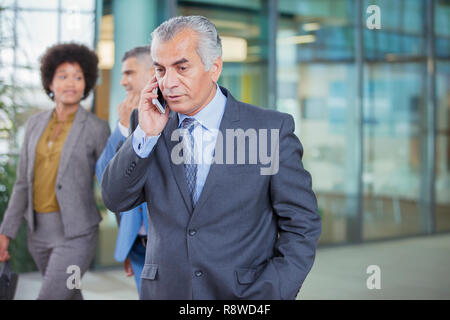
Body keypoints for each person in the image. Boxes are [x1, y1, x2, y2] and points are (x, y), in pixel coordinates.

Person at [101, 16, 321, 300]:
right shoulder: (145, 124)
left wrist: (274, 291)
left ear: (214, 67)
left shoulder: (270, 130)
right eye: (160, 70)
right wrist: (146, 136)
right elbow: (114, 198)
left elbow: (302, 224)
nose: (168, 82)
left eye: (182, 67)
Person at [0, 43, 110, 300]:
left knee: (52, 295)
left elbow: (111, 180)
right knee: (68, 294)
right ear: (50, 82)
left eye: (78, 76)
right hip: (38, 234)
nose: (70, 83)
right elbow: (22, 185)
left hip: (76, 235)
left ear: (87, 83)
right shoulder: (34, 124)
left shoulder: (96, 128)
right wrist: (6, 233)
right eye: (63, 75)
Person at [95, 46, 152, 293]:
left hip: (170, 245)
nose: (122, 81)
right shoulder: (124, 116)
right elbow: (103, 174)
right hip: (137, 243)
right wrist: (123, 126)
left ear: (153, 73)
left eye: (129, 73)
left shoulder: (177, 114)